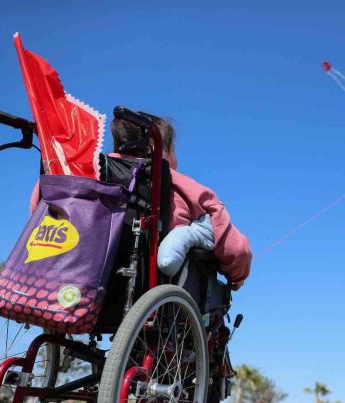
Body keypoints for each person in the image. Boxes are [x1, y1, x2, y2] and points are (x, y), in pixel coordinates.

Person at [31, 115, 253, 288]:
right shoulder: (182, 186)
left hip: (76, 280)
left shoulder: (86, 174)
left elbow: (39, 209)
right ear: (160, 151)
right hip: (148, 290)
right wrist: (238, 276)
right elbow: (234, 247)